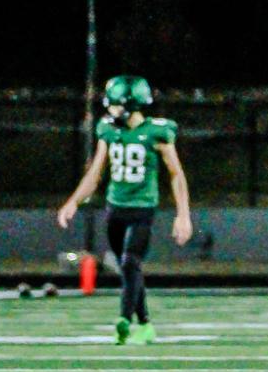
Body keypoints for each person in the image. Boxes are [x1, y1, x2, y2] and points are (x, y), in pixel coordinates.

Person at [57, 74, 192, 343]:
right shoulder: (109, 130)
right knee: (129, 268)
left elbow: (176, 174)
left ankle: (124, 319)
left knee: (131, 262)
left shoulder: (157, 132)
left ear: (129, 104)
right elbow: (96, 173)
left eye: (115, 104)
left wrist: (183, 214)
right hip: (114, 210)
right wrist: (73, 201)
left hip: (142, 209)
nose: (109, 109)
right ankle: (145, 324)